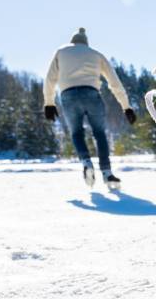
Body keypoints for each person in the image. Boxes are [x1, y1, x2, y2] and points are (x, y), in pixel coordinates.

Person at [43, 28, 136, 189]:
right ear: (86, 42)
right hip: (91, 93)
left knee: (76, 133)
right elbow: (114, 82)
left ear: (73, 41)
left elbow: (50, 79)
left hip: (68, 95)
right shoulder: (96, 54)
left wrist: (49, 103)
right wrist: (126, 106)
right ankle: (107, 173)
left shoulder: (61, 52)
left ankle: (86, 162)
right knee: (99, 133)